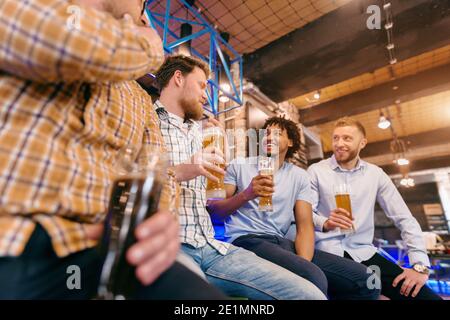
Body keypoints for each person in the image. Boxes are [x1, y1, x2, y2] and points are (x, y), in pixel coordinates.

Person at [0, 0, 226, 300]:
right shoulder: (26, 8)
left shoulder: (138, 99)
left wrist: (158, 227)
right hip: (15, 240)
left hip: (103, 253)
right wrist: (149, 44)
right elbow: (65, 40)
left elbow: (159, 174)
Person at [153, 55, 326, 300]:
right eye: (202, 85)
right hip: (170, 245)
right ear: (178, 78)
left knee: (311, 295)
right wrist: (180, 171)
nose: (206, 96)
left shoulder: (200, 133)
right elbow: (123, 177)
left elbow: (212, 202)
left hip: (212, 247)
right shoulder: (147, 120)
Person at [208, 116, 380, 300]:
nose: (269, 137)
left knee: (365, 279)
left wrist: (303, 263)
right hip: (246, 240)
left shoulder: (299, 176)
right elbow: (215, 211)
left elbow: (304, 226)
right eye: (265, 134)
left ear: (290, 141)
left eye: (277, 133)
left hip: (280, 242)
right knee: (313, 278)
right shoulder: (239, 166)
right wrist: (246, 194)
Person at [307, 116, 442, 300]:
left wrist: (419, 265)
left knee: (425, 297)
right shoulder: (316, 171)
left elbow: (404, 218)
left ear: (362, 143)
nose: (339, 143)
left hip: (364, 253)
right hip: (327, 254)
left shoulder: (375, 174)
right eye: (335, 138)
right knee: (363, 289)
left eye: (347, 138)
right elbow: (304, 214)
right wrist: (325, 222)